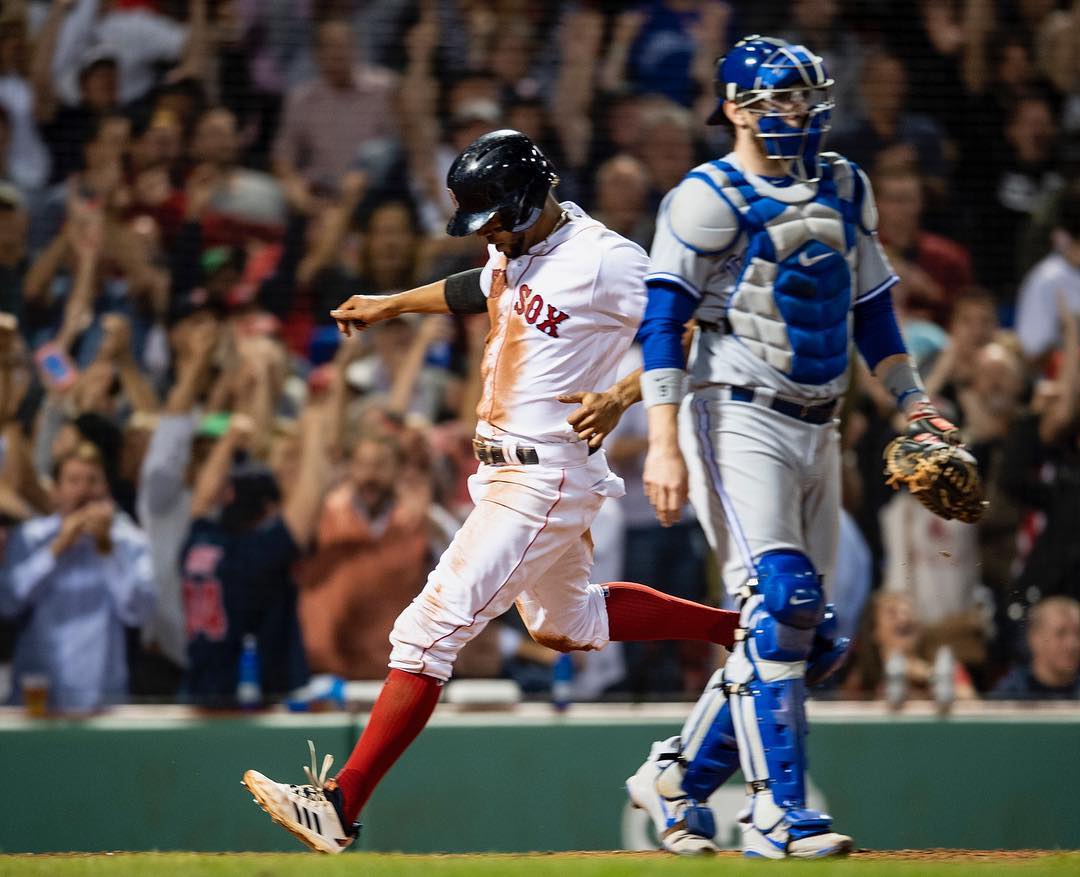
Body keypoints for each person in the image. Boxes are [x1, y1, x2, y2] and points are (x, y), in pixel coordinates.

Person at [241, 129, 740, 854]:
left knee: (427, 629)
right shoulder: (515, 247)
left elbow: (694, 326)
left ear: (535, 198)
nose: (492, 235)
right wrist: (390, 304)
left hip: (546, 474)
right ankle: (738, 631)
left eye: (498, 219)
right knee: (564, 622)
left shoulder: (607, 260)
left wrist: (625, 393)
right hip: (510, 469)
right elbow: (480, 286)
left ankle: (340, 803)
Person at [586, 37, 971, 858]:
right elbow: (664, 322)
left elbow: (872, 309)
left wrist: (915, 403)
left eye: (802, 99)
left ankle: (678, 773)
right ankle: (775, 815)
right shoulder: (704, 196)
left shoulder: (844, 183)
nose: (793, 115)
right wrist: (661, 442)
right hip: (736, 414)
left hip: (823, 421)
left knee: (817, 633)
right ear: (733, 108)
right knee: (783, 600)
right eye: (774, 102)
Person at [0, 441, 155, 713]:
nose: (84, 491)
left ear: (106, 488)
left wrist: (107, 551)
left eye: (92, 481)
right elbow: (8, 603)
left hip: (101, 698)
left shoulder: (130, 541)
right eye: (73, 481)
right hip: (37, 695)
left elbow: (139, 612)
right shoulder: (30, 538)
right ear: (56, 492)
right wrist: (56, 549)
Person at [992, 596, 1080, 700]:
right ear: (1034, 637)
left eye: (1078, 633)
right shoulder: (1009, 696)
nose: (1072, 644)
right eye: (1060, 633)